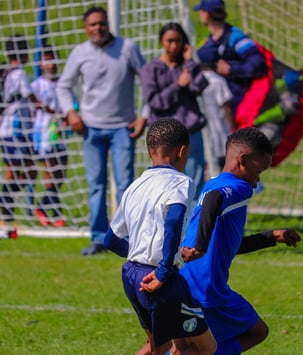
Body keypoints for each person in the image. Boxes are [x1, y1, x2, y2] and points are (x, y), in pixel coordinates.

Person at [179, 127, 301, 354]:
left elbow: (230, 245)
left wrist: (273, 237)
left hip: (187, 280)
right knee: (256, 332)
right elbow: (214, 202)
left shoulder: (213, 184)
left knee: (189, 346)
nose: (258, 179)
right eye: (260, 170)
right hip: (208, 289)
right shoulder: (239, 188)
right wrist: (200, 247)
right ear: (243, 160)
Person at [104, 117, 217, 355]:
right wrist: (164, 270)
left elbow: (111, 240)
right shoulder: (181, 182)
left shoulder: (134, 186)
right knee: (205, 347)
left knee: (160, 347)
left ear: (149, 151)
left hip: (132, 275)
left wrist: (141, 253)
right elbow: (174, 221)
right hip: (160, 278)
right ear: (182, 151)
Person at [57, 6, 148, 255]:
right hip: (91, 129)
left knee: (125, 185)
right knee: (96, 186)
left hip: (123, 129)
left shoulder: (128, 48)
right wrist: (70, 112)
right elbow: (63, 87)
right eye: (93, 24)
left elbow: (149, 82)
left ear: (108, 24)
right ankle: (99, 238)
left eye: (101, 23)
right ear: (86, 28)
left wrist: (144, 116)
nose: (98, 28)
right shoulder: (79, 53)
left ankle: (127, 237)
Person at [139, 22, 208, 202]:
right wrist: (178, 86)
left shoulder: (187, 67)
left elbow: (200, 86)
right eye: (169, 41)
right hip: (165, 138)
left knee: (195, 182)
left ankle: (193, 227)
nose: (174, 46)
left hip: (191, 132)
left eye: (178, 41)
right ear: (161, 41)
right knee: (165, 184)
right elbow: (154, 102)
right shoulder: (151, 69)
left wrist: (190, 62)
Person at [193, 0, 267, 117]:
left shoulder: (235, 37)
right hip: (217, 105)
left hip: (240, 104)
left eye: (201, 11)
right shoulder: (208, 41)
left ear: (206, 14)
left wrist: (231, 69)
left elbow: (259, 64)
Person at [0, 34, 42, 223]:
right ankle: (5, 203)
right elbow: (30, 97)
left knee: (15, 170)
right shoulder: (20, 74)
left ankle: (6, 207)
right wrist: (48, 109)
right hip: (16, 130)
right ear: (24, 54)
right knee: (27, 169)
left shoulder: (5, 73)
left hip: (7, 130)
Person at [31, 46, 69, 227]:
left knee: (60, 174)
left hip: (60, 133)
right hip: (44, 134)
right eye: (47, 61)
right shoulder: (37, 85)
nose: (51, 65)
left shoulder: (63, 84)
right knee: (50, 173)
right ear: (41, 64)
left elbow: (72, 105)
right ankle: (54, 212)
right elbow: (32, 108)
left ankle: (43, 207)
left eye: (53, 60)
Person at [201, 64, 235, 171]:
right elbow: (226, 108)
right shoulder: (217, 80)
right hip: (220, 133)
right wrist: (234, 129)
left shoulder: (193, 78)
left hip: (203, 136)